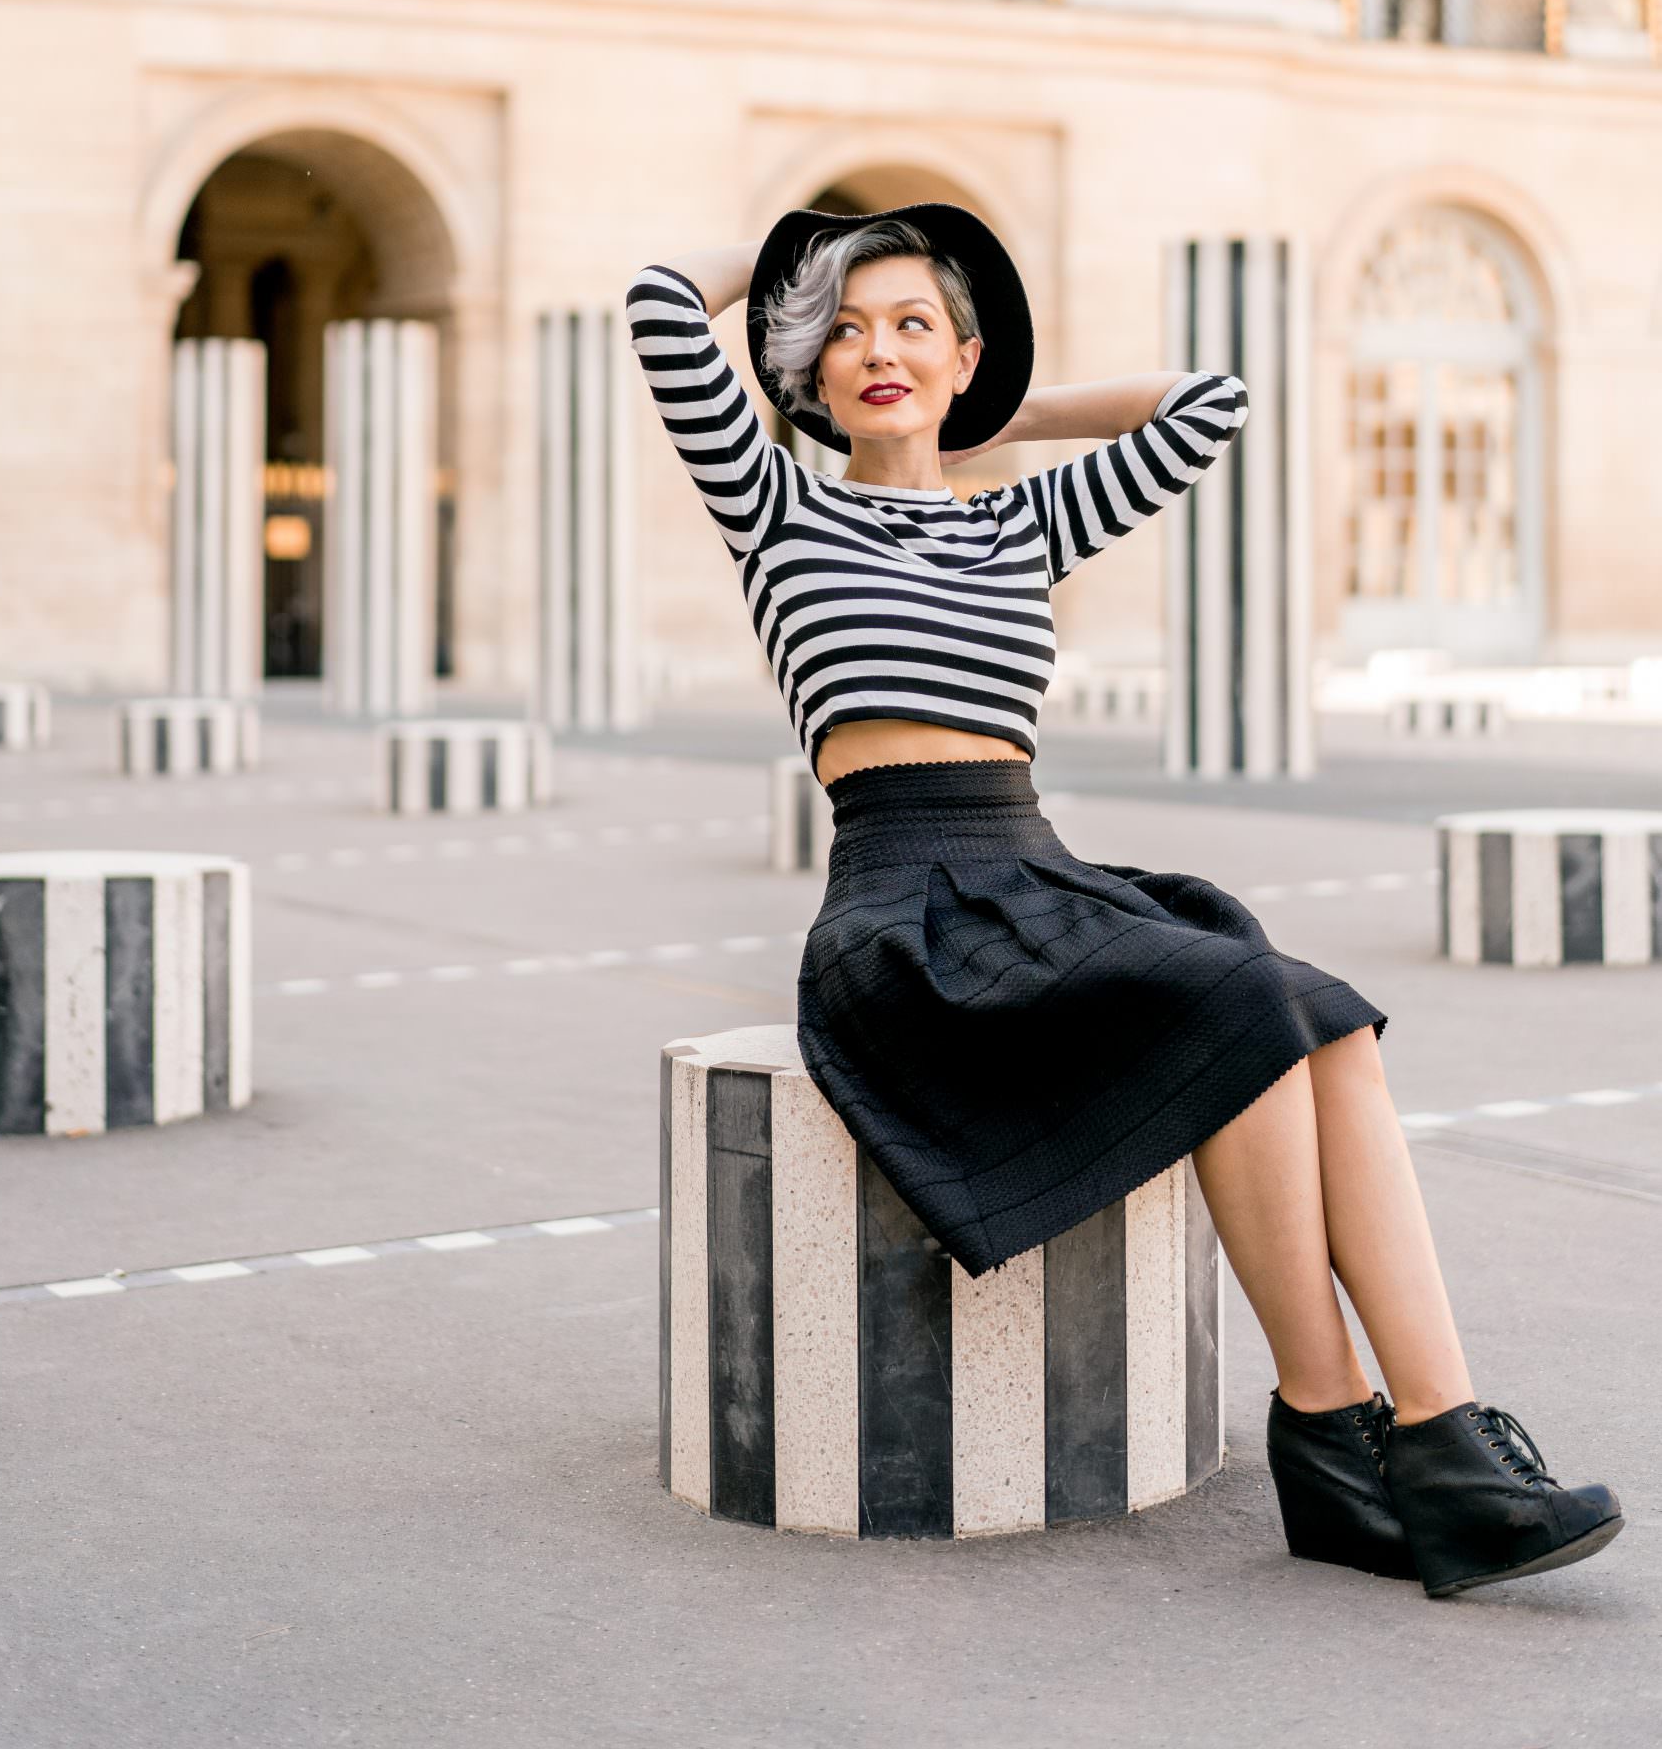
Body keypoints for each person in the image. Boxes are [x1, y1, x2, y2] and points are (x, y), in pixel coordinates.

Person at [624, 202, 1621, 1597]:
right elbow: (666, 307)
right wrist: (807, 240)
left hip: (1039, 873)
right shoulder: (774, 499)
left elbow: (1207, 405)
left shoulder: (1019, 521)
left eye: (914, 324)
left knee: (1324, 1023)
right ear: (809, 370)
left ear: (966, 362)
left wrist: (1002, 422)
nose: (878, 350)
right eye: (844, 332)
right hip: (906, 912)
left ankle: (1439, 1433)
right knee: (1235, 1006)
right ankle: (1344, 1437)